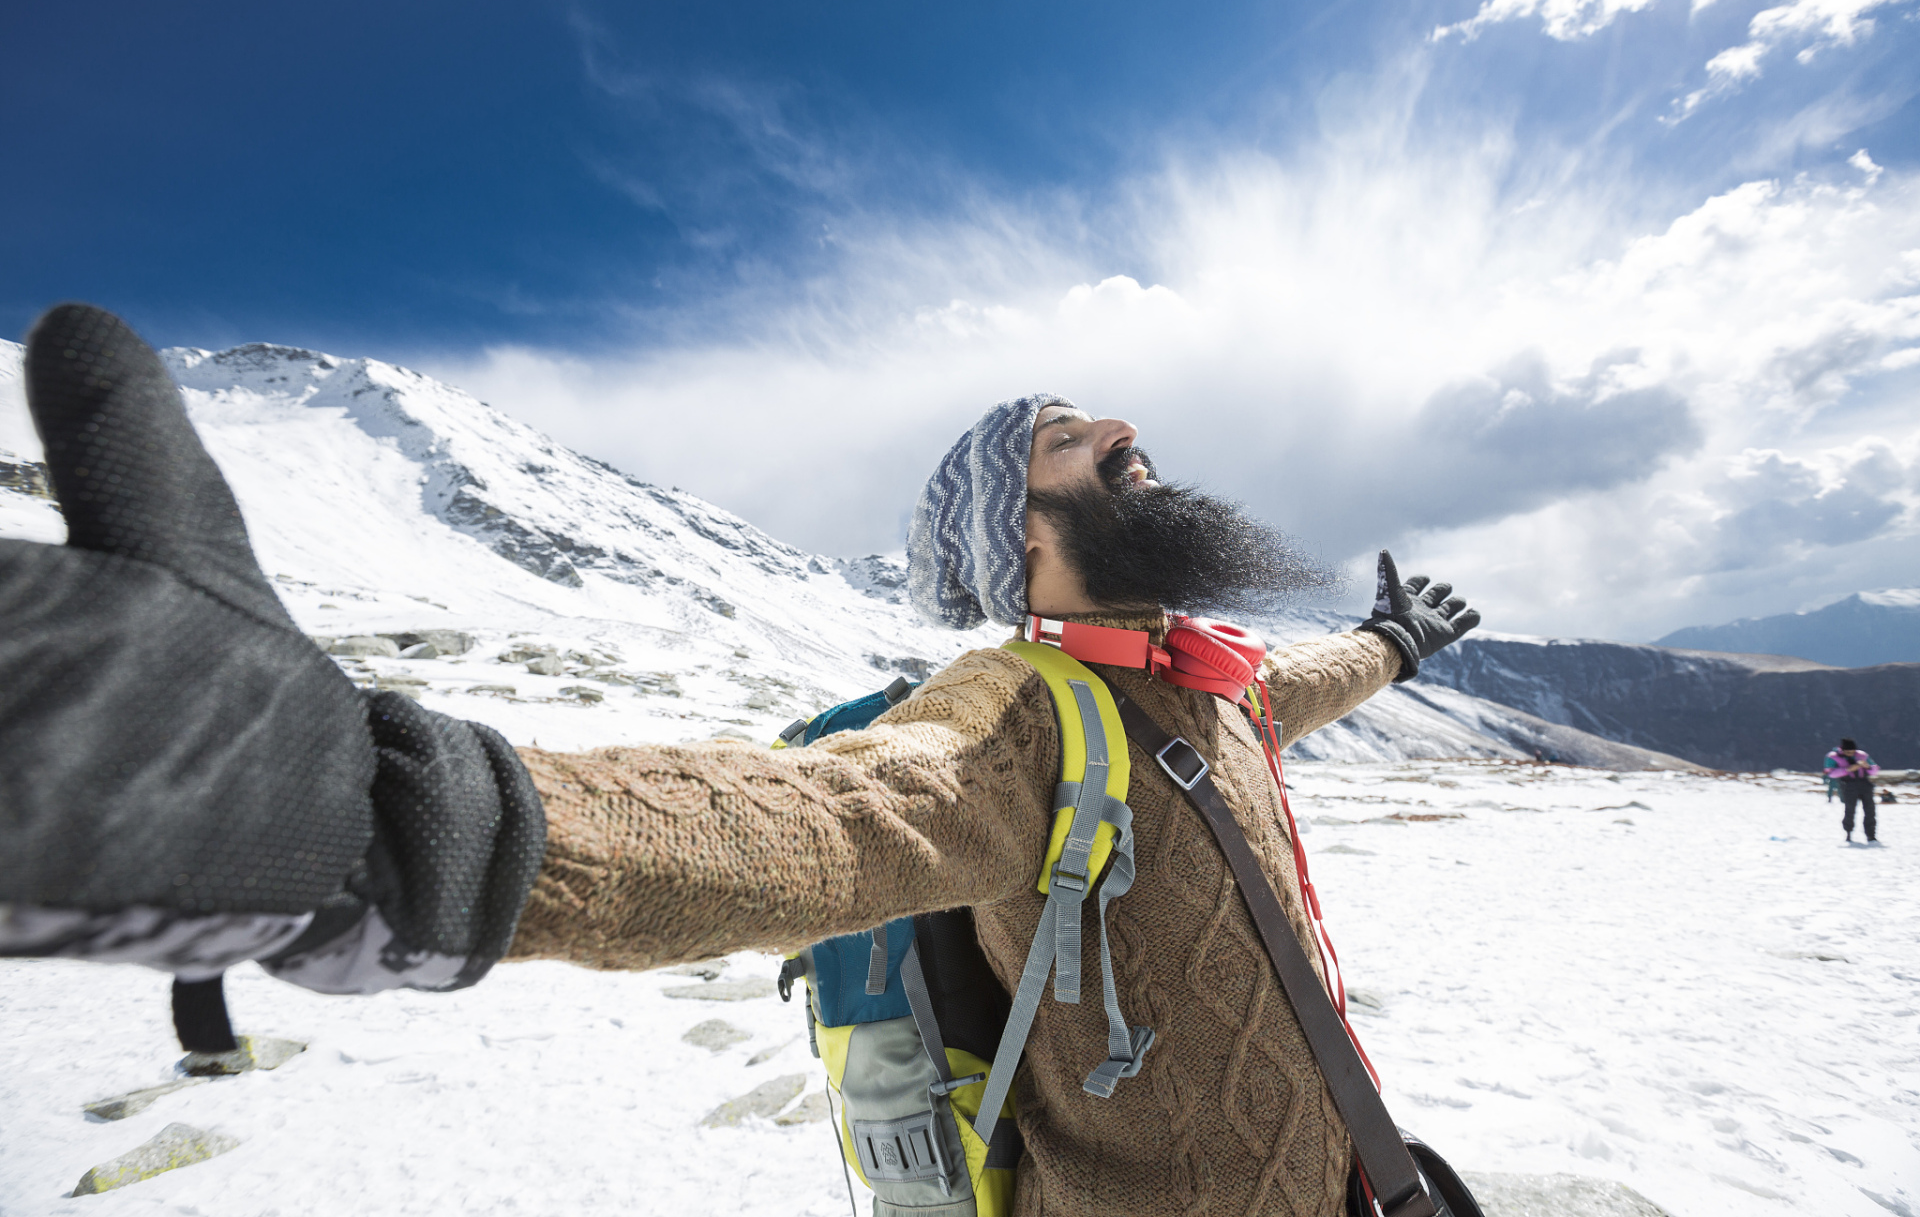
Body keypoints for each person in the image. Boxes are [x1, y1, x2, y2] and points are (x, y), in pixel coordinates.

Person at [0, 306, 1480, 1217]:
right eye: (1068, 443)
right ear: (1023, 542)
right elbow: (825, 820)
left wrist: (1395, 645)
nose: (1122, 433)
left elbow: (1296, 689)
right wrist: (389, 819)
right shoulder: (1019, 712)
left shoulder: (1203, 688)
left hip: (1350, 1182)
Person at [1824, 738, 1880, 844]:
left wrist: (1867, 766)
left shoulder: (1862, 755)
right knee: (1850, 810)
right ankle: (1848, 833)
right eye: (1848, 752)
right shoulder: (1832, 757)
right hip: (1848, 785)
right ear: (1842, 750)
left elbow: (1875, 770)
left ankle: (1871, 835)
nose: (1851, 754)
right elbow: (1831, 773)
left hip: (1865, 784)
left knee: (1870, 810)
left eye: (1853, 752)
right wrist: (1848, 769)